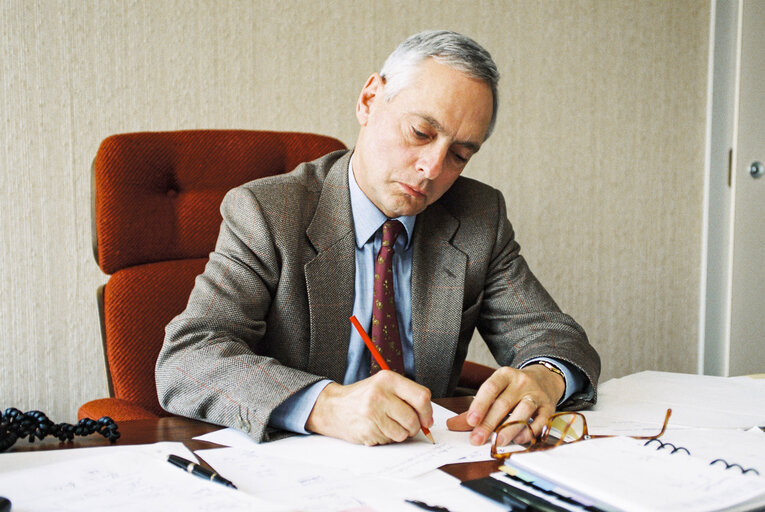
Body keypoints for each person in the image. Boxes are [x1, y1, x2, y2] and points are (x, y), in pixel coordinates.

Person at [155, 30, 600, 447]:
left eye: (460, 154)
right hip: (297, 466)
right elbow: (189, 357)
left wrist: (544, 376)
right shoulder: (267, 212)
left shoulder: (477, 217)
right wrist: (324, 405)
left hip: (424, 465)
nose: (432, 168)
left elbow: (549, 333)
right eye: (420, 133)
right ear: (369, 100)